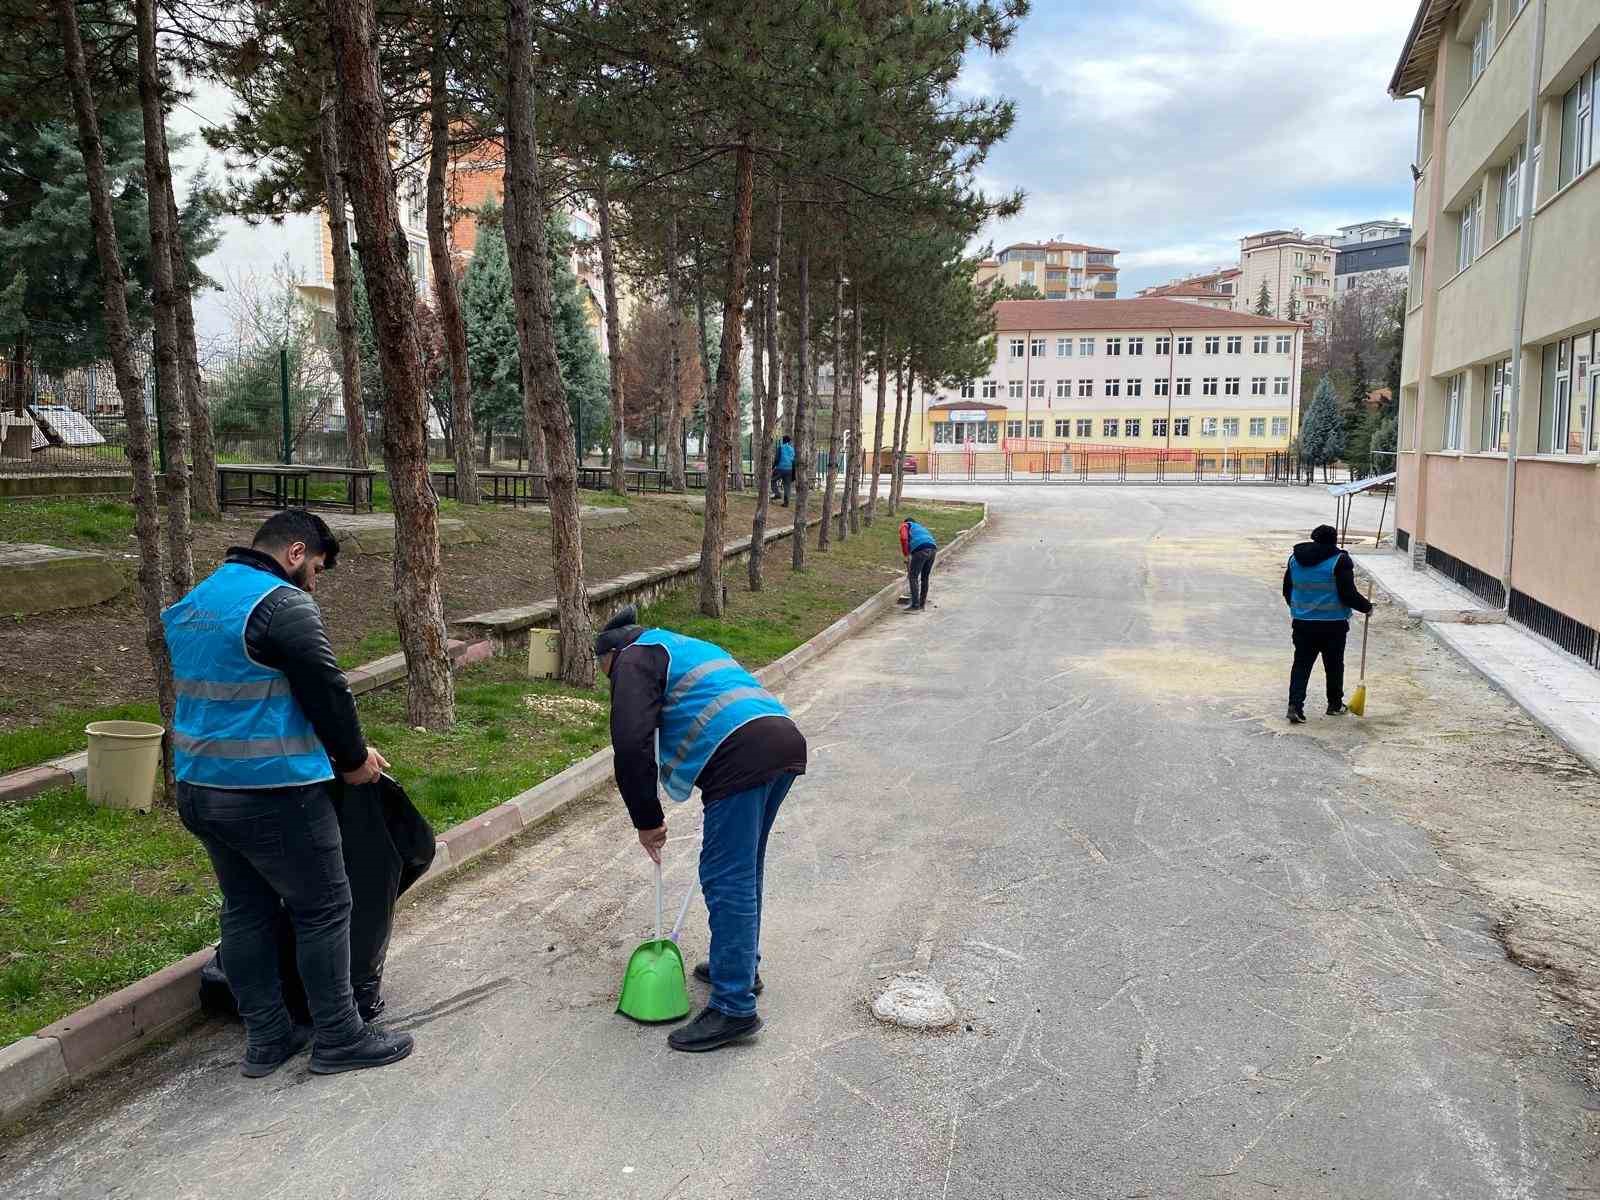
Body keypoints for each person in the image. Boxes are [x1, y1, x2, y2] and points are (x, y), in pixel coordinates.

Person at [161, 509, 413, 1078]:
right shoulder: (282, 604)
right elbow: (328, 690)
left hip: (199, 787)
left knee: (246, 910)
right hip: (271, 793)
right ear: (295, 553)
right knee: (323, 907)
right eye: (317, 568)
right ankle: (340, 1037)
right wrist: (353, 763)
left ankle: (269, 1039)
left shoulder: (195, 602)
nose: (315, 582)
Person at [595, 606, 807, 1053]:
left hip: (741, 754)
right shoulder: (679, 644)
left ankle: (733, 1008)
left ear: (610, 655)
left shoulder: (632, 658)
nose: (608, 682)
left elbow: (631, 744)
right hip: (780, 737)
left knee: (725, 877)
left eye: (603, 672)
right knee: (744, 869)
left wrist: (647, 821)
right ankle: (741, 966)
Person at [1283, 523, 1373, 724]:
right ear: (1334, 540)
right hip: (1333, 624)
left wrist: (1299, 609)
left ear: (1314, 538)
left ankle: (1295, 706)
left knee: (1301, 665)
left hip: (1303, 623)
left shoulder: (1294, 560)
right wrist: (1367, 607)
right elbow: (1348, 594)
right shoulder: (1340, 560)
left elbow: (1287, 590)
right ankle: (1334, 704)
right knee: (1333, 665)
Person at [900, 516, 938, 612]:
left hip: (921, 550)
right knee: (925, 577)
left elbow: (904, 538)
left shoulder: (905, 525)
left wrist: (906, 553)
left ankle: (915, 605)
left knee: (913, 576)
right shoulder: (920, 527)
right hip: (933, 549)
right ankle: (921, 604)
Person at [773, 435, 796, 506]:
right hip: (789, 469)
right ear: (789, 441)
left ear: (783, 440)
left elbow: (777, 459)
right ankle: (786, 503)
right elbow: (793, 461)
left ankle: (777, 494)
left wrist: (772, 467)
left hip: (780, 468)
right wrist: (793, 472)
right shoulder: (792, 449)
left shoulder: (780, 448)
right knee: (787, 486)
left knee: (772, 480)